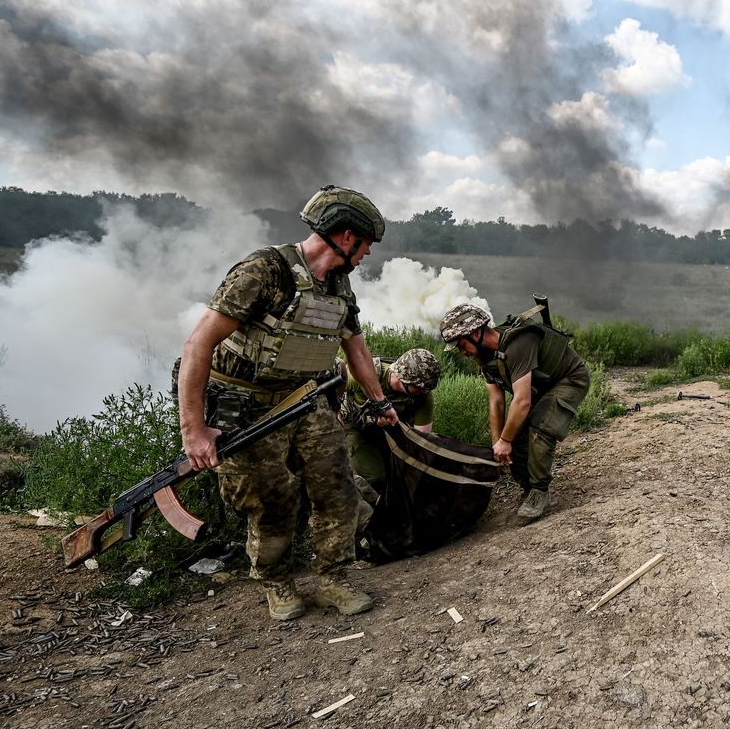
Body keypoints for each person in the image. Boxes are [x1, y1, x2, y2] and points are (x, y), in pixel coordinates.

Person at [176, 184, 400, 622]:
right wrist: (194, 430)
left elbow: (355, 346)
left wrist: (378, 401)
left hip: (304, 400)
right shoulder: (264, 271)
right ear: (347, 235)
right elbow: (197, 343)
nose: (369, 252)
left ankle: (334, 577)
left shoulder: (338, 283)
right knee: (271, 501)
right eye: (368, 242)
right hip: (248, 408)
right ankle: (278, 584)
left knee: (338, 488)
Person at [438, 303, 589, 521]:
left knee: (540, 426)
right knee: (515, 435)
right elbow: (496, 401)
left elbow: (522, 401)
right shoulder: (485, 357)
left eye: (461, 345)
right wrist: (498, 444)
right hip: (541, 388)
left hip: (568, 379)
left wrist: (504, 440)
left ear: (477, 333)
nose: (462, 352)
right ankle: (528, 490)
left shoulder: (517, 344)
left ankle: (539, 492)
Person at [341, 348, 441, 507]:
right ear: (405, 379)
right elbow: (333, 386)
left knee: (399, 475)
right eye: (420, 388)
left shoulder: (423, 395)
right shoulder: (366, 373)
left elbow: (421, 440)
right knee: (375, 479)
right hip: (357, 429)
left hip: (393, 432)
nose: (423, 392)